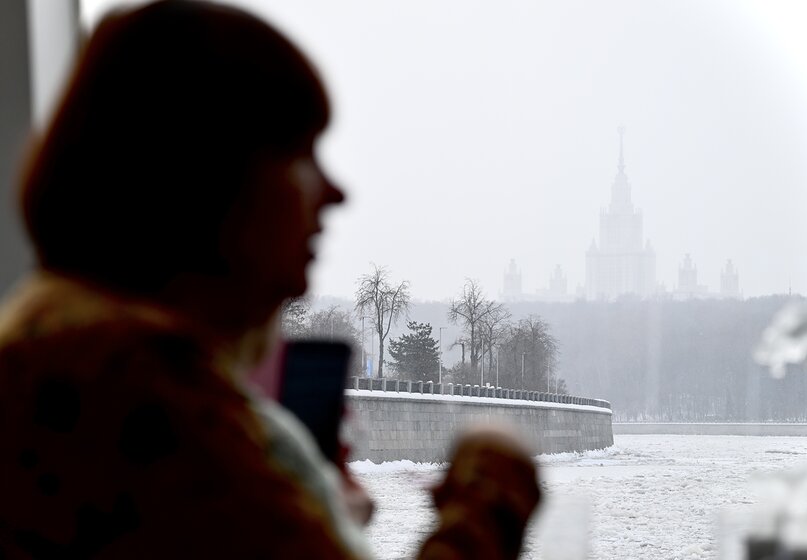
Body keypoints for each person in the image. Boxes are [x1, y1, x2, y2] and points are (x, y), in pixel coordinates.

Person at [0, 1, 540, 558]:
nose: (335, 194)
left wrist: (308, 512)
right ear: (205, 173)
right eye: (300, 153)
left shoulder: (55, 350)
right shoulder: (144, 400)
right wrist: (495, 480)